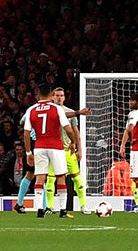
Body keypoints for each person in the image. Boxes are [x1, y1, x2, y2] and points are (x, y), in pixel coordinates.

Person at [24, 84, 77, 219]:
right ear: (51, 95)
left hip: (40, 147)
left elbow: (26, 133)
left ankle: (39, 210)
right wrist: (73, 142)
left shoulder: (31, 110)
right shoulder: (57, 109)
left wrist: (28, 153)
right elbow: (68, 128)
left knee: (40, 177)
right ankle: (63, 210)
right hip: (56, 147)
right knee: (61, 176)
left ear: (38, 94)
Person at [54, 86, 90, 212]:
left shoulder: (70, 113)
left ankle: (83, 205)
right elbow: (60, 115)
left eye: (61, 95)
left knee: (77, 179)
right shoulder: (50, 112)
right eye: (57, 95)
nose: (59, 98)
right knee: (51, 180)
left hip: (68, 151)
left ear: (64, 97)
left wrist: (80, 150)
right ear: (52, 97)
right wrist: (78, 112)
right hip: (54, 151)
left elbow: (76, 133)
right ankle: (49, 207)